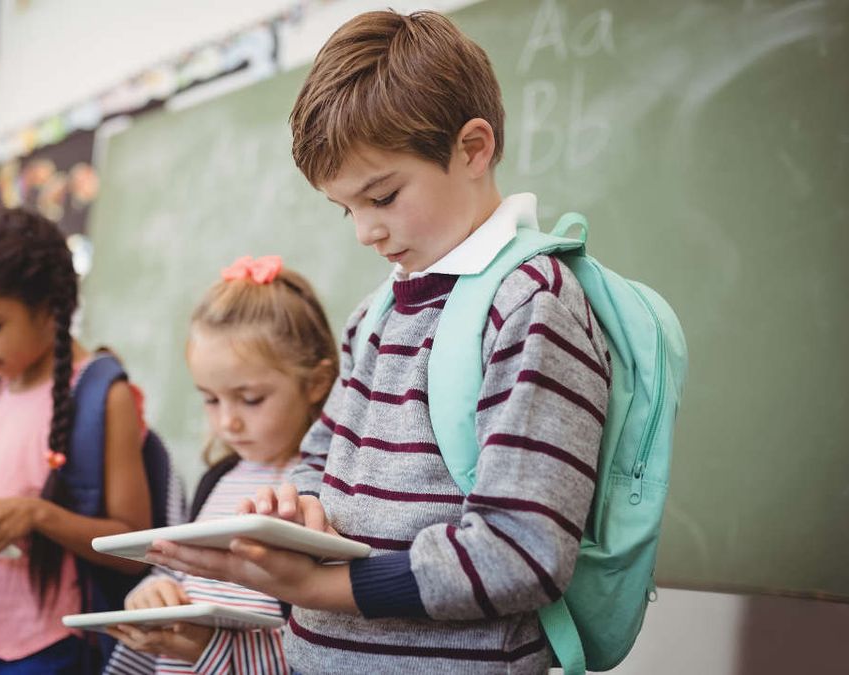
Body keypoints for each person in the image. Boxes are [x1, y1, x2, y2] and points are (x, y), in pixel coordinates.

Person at [144, 11, 612, 674]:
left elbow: (522, 552)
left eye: (383, 196)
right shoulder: (377, 312)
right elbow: (316, 456)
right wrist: (298, 506)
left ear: (474, 149)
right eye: (346, 208)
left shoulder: (531, 304)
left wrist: (318, 588)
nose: (364, 231)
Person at [0, 208, 153, 673]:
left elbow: (136, 548)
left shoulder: (100, 393)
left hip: (44, 649)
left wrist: (37, 514)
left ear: (50, 309)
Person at [105, 256, 335, 674]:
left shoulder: (325, 492)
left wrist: (208, 650)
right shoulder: (218, 478)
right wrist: (156, 589)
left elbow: (326, 645)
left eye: (250, 399)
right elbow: (182, 572)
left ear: (316, 383)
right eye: (211, 399)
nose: (227, 421)